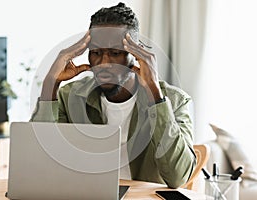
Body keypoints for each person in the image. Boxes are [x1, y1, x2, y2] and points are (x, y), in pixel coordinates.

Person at [31, 2, 196, 188]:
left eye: (116, 53)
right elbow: (39, 163)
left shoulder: (175, 101)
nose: (104, 63)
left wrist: (154, 95)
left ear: (137, 53)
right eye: (95, 53)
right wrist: (50, 84)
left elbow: (178, 177)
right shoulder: (70, 96)